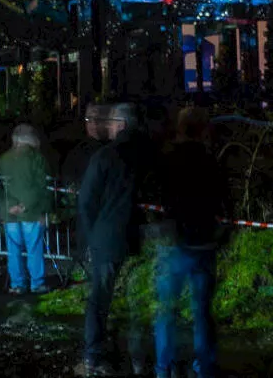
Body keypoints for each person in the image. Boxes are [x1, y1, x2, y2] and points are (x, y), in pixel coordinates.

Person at [78, 102, 156, 377]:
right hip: (136, 237)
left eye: (110, 122)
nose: (106, 127)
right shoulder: (147, 153)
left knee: (99, 299)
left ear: (121, 124)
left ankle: (93, 357)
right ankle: (137, 357)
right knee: (133, 298)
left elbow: (86, 202)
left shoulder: (105, 156)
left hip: (106, 239)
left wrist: (89, 240)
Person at [153, 107, 227, 378]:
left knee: (166, 310)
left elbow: (158, 195)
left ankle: (164, 368)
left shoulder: (168, 159)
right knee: (202, 312)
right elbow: (224, 202)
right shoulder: (211, 161)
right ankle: (204, 368)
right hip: (204, 244)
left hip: (174, 244)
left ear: (180, 129)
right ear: (203, 130)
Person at [0, 123, 52, 295]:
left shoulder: (3, 159)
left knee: (13, 251)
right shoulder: (37, 159)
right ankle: (37, 283)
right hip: (32, 213)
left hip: (9, 214)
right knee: (34, 249)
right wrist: (26, 206)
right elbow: (42, 187)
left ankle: (17, 284)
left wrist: (6, 207)